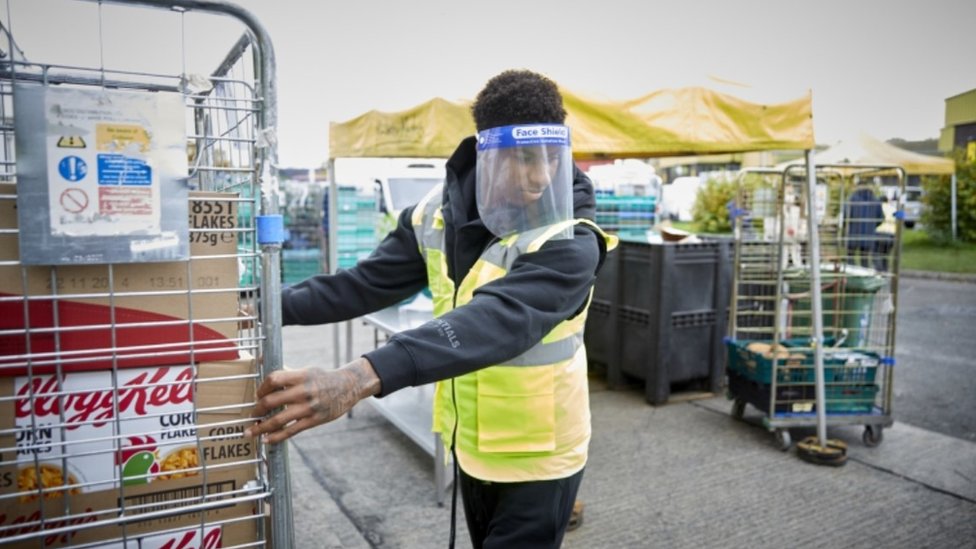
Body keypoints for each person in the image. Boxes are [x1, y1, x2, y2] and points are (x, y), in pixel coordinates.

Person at [245, 69, 617, 549]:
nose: (542, 176)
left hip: (541, 456)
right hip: (471, 444)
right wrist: (259, 308)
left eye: (551, 158)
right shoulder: (434, 216)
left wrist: (357, 377)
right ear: (487, 152)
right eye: (524, 158)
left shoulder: (572, 237)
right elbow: (362, 285)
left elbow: (499, 319)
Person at [845, 183, 884, 269]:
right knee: (865, 259)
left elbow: (845, 215)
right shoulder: (876, 201)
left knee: (850, 257)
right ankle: (864, 276)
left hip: (853, 233)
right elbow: (880, 218)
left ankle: (851, 275)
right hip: (868, 235)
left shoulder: (852, 199)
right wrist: (872, 226)